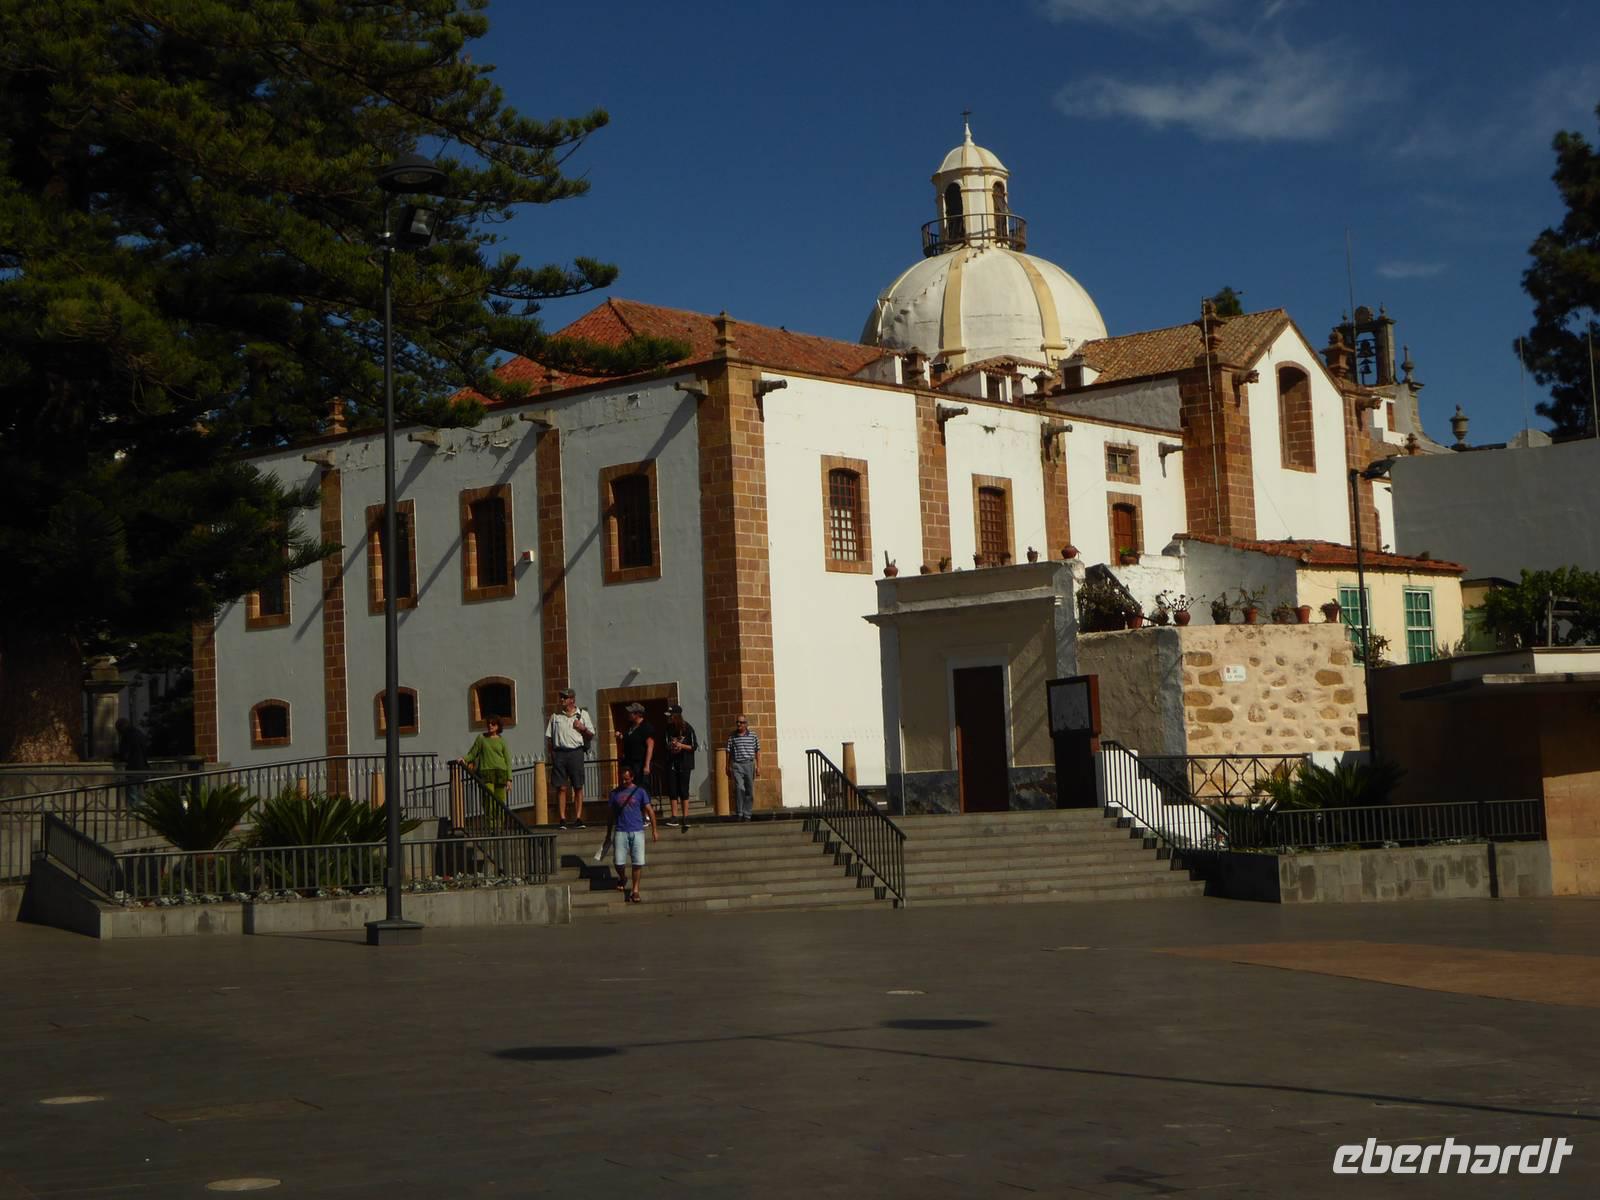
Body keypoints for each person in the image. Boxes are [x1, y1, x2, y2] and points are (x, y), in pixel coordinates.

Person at [606, 764, 658, 903]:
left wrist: (654, 830)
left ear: (632, 778)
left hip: (637, 830)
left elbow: (650, 811)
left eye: (627, 779)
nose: (624, 782)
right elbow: (610, 815)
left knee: (637, 863)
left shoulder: (640, 792)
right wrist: (608, 834)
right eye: (622, 779)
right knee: (618, 862)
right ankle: (622, 877)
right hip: (621, 830)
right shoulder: (614, 793)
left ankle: (635, 890)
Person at [544, 688, 594, 829]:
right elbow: (549, 738)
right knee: (561, 787)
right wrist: (552, 753)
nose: (562, 700)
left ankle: (578, 817)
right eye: (561, 697)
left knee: (578, 786)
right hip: (560, 753)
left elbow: (591, 735)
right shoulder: (555, 717)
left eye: (564, 697)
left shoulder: (583, 714)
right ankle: (562, 819)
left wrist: (582, 728)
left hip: (576, 752)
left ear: (572, 699)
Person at [459, 715, 512, 828]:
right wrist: (464, 759)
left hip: (500, 773)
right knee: (488, 801)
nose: (490, 726)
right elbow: (473, 753)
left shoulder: (502, 740)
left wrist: (509, 779)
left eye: (493, 724)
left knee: (500, 801)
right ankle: (491, 826)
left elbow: (507, 760)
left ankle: (500, 826)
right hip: (486, 772)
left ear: (498, 726)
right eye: (489, 723)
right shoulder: (481, 738)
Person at [660, 704, 699, 833]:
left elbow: (693, 746)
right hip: (671, 763)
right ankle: (674, 816)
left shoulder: (688, 728)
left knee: (683, 789)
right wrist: (672, 745)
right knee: (672, 790)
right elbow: (665, 744)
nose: (669, 718)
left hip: (684, 763)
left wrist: (681, 745)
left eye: (671, 716)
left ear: (676, 716)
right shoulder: (668, 729)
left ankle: (686, 816)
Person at [614, 702, 655, 793]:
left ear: (637, 714)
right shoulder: (630, 727)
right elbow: (628, 738)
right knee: (630, 788)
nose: (628, 714)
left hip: (639, 763)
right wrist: (620, 735)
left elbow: (650, 746)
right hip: (629, 762)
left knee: (641, 788)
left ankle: (644, 806)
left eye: (631, 713)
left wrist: (647, 765)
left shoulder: (646, 727)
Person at [725, 714, 760, 820]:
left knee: (749, 790)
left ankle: (747, 813)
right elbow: (728, 752)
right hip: (737, 765)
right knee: (740, 788)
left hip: (749, 764)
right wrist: (727, 766)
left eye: (741, 722)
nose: (739, 724)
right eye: (737, 722)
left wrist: (758, 766)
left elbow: (757, 751)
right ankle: (739, 812)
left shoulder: (753, 736)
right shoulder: (732, 736)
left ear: (746, 724)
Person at [114, 717, 151, 804]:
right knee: (141, 795)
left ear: (121, 727)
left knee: (132, 795)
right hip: (143, 768)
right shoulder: (140, 734)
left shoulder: (127, 735)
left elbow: (124, 754)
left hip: (133, 768)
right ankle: (141, 815)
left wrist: (116, 757)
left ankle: (132, 815)